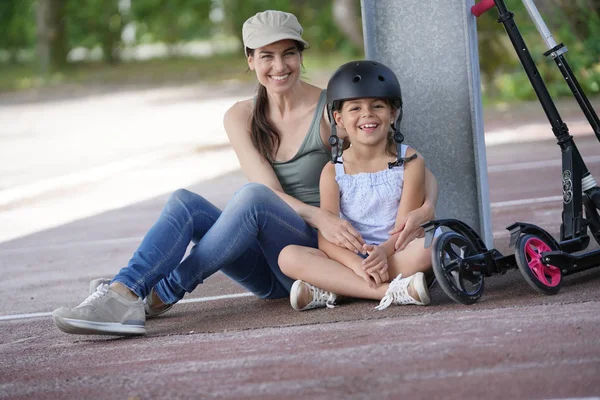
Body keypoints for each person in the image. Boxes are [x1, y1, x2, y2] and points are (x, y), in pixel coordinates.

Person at [52, 10, 438, 337]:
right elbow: (267, 191)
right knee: (188, 202)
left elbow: (403, 158)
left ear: (301, 56)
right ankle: (126, 290)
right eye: (266, 56)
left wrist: (427, 207)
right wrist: (320, 214)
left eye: (289, 53)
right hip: (268, 261)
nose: (279, 66)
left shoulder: (333, 111)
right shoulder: (240, 116)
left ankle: (154, 295)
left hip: (315, 256)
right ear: (249, 59)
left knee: (251, 199)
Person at [279, 60, 437, 312]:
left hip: (396, 252)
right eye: (355, 108)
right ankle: (391, 291)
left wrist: (383, 253)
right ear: (339, 118)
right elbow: (327, 239)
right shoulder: (332, 171)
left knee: (432, 245)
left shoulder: (410, 161)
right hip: (349, 259)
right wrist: (355, 264)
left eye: (377, 106)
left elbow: (405, 228)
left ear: (393, 113)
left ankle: (336, 288)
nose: (367, 114)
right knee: (288, 256)